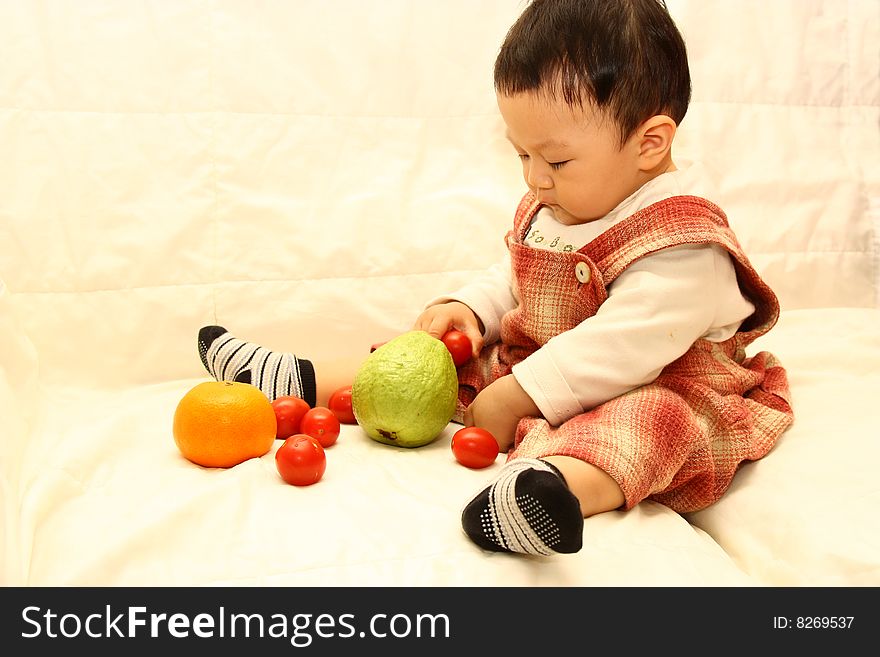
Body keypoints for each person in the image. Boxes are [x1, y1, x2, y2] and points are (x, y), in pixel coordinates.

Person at [197, 0, 793, 556]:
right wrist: (472, 309)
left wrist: (524, 392)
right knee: (425, 361)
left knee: (651, 426)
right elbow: (518, 271)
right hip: (539, 367)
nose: (535, 179)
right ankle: (295, 380)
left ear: (649, 143)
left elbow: (628, 344)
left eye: (555, 160)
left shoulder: (685, 242)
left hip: (659, 385)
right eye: (521, 155)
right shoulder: (563, 206)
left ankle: (553, 494)